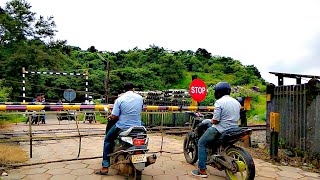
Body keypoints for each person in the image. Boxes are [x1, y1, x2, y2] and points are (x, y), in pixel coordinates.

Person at [191, 82, 241, 178]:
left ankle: (202, 170)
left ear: (219, 92)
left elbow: (215, 121)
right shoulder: (237, 102)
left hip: (221, 129)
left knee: (201, 143)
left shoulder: (219, 102)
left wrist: (207, 120)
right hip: (234, 129)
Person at [95, 82, 144, 175]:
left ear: (124, 90)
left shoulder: (119, 99)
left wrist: (111, 117)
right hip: (138, 125)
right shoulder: (140, 98)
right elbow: (141, 109)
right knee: (143, 132)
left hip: (123, 126)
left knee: (108, 140)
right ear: (133, 89)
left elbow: (114, 116)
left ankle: (105, 167)